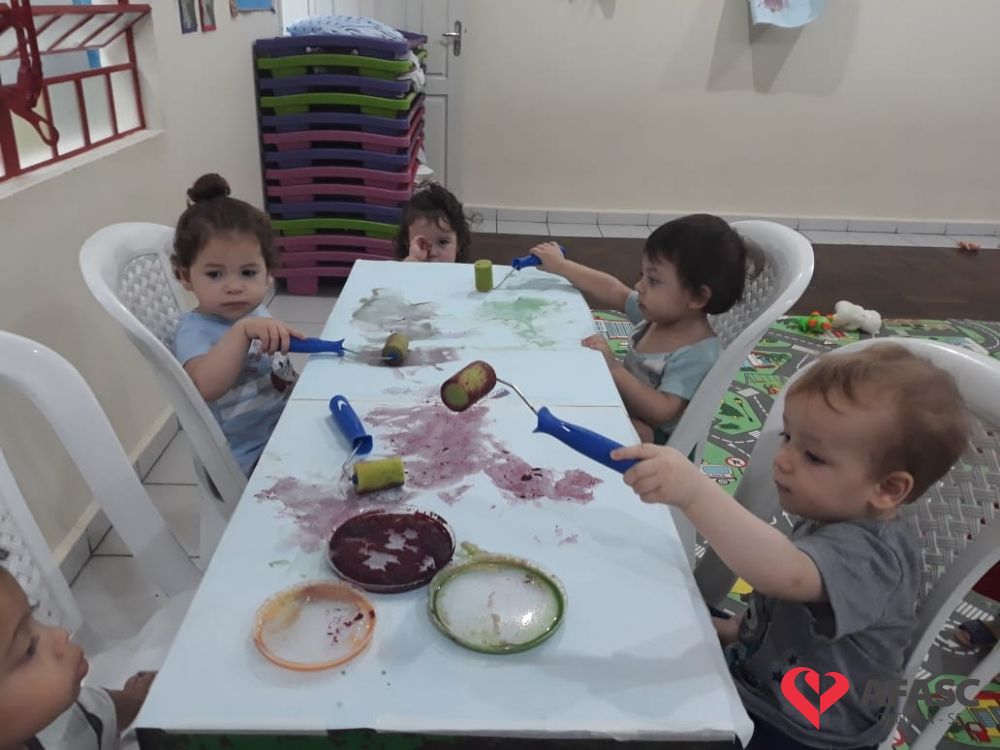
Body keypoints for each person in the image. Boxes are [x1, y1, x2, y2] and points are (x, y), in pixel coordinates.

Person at [612, 343, 971, 750]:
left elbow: (782, 574)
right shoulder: (834, 514)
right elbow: (782, 608)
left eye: (813, 456)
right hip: (764, 672)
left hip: (809, 729)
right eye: (788, 436)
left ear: (888, 488)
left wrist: (694, 493)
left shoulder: (874, 558)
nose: (783, 459)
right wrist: (733, 631)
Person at [530, 214, 747, 442]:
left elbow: (661, 411)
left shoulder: (699, 353)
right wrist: (562, 266)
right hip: (624, 407)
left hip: (656, 440)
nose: (639, 286)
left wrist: (615, 369)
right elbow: (615, 290)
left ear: (697, 297)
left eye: (653, 280)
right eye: (642, 275)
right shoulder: (658, 316)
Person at [171, 173, 303, 475]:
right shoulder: (194, 330)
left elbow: (280, 372)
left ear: (268, 274)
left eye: (248, 273)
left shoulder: (256, 312)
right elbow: (204, 386)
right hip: (246, 458)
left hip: (284, 430)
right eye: (215, 274)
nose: (234, 287)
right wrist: (241, 333)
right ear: (185, 276)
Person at [0, 565, 154, 750]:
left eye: (34, 617)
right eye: (29, 648)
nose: (59, 634)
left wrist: (131, 700)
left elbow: (105, 709)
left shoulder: (68, 717)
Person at [393, 182, 472, 263]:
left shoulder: (464, 270)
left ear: (458, 244)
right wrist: (411, 263)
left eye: (442, 242)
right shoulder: (407, 267)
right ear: (407, 244)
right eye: (422, 244)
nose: (433, 253)